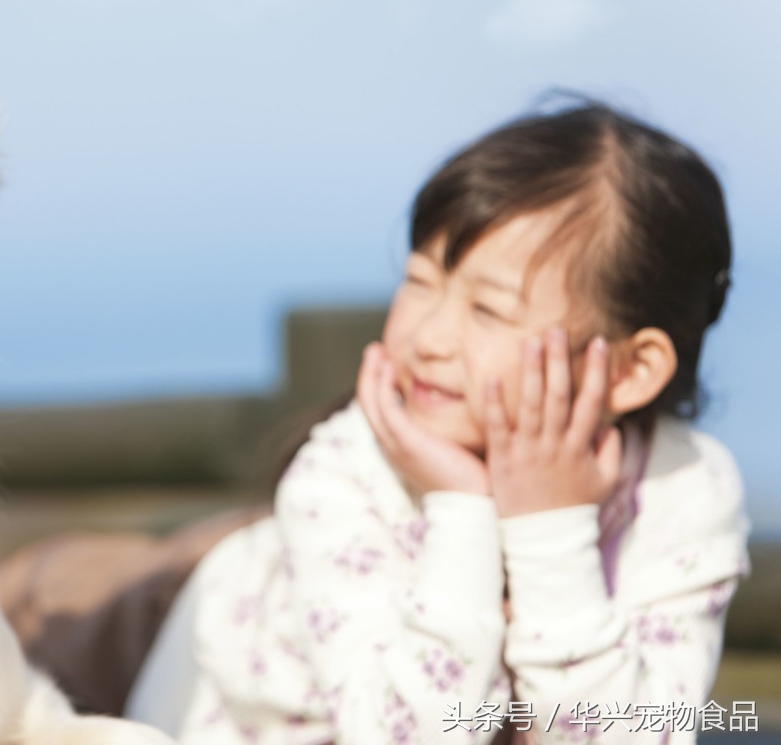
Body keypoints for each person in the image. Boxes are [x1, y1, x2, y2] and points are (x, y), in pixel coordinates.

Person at [125, 101, 750, 743]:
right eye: (419, 281)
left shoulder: (685, 487)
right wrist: (462, 508)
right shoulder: (344, 469)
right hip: (218, 695)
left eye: (488, 310)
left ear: (630, 370)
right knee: (82, 600)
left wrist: (550, 529)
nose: (428, 337)